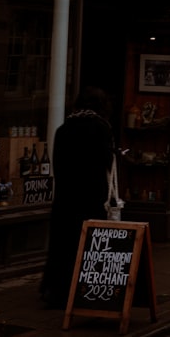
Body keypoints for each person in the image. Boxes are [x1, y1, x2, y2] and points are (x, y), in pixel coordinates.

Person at [40, 86, 115, 309]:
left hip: (65, 198)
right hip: (91, 198)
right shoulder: (102, 128)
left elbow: (58, 164)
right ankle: (87, 290)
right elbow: (107, 164)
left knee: (63, 246)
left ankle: (56, 291)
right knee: (90, 247)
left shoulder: (63, 129)